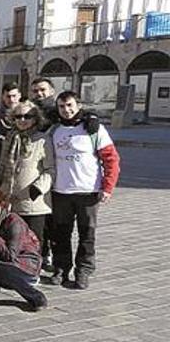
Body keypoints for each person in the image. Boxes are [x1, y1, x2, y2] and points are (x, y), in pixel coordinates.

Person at [48, 91, 120, 289]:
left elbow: (111, 159)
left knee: (86, 234)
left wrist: (107, 187)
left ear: (78, 105)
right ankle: (61, 268)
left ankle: (84, 270)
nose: (66, 110)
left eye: (70, 105)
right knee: (61, 234)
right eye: (62, 106)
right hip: (61, 191)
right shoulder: (54, 130)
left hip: (88, 192)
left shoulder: (93, 129)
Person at [0, 184, 49, 311]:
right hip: (3, 260)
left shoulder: (13, 221)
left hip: (24, 264)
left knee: (1, 272)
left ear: (1, 205)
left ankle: (36, 297)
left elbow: (10, 256)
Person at [0, 101, 54, 254]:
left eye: (27, 116)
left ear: (35, 118)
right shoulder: (11, 138)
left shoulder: (42, 139)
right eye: (18, 116)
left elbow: (50, 169)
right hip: (9, 200)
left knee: (33, 242)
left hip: (32, 202)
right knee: (11, 240)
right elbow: (3, 163)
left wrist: (38, 188)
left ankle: (33, 273)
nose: (22, 120)